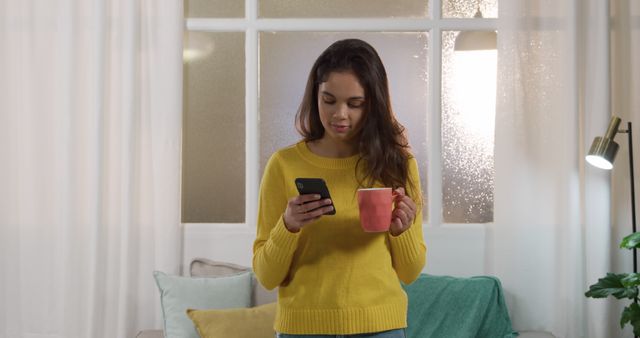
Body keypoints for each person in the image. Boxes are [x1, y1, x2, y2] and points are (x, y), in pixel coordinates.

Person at [252, 38, 426, 338]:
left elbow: (410, 273)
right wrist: (288, 226)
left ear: (373, 104)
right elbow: (267, 276)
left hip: (380, 327)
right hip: (303, 329)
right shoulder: (283, 165)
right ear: (314, 96)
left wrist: (403, 231)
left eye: (355, 104)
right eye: (328, 100)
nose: (339, 114)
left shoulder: (398, 165)